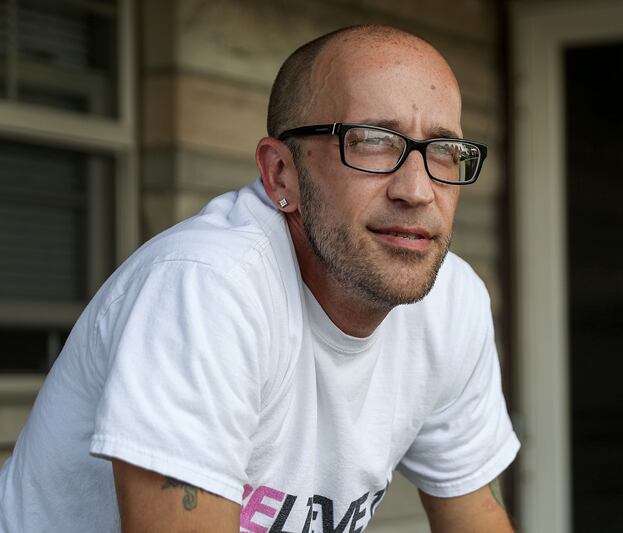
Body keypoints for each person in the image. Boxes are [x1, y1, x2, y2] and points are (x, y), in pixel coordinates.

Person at [0, 24, 519, 532]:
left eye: (444, 150)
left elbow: (475, 515)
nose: (418, 190)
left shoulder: (451, 301)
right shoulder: (207, 287)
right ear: (280, 174)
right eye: (371, 142)